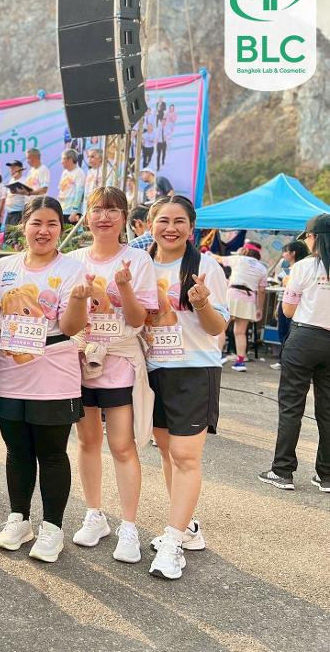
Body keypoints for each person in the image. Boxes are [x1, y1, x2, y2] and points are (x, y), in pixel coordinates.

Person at [0, 196, 89, 562]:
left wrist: (78, 300)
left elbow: (71, 326)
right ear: (24, 226)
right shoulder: (4, 268)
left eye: (51, 224)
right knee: (16, 450)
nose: (43, 231)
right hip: (10, 371)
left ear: (61, 228)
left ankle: (52, 528)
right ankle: (19, 519)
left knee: (51, 452)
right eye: (36, 223)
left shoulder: (72, 269)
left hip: (54, 372)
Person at [68, 187, 157, 563]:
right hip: (80, 362)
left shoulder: (138, 260)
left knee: (122, 445)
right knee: (87, 441)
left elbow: (138, 320)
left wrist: (122, 286)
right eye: (97, 210)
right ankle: (94, 514)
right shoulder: (73, 260)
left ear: (124, 217)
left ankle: (129, 526)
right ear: (86, 217)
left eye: (112, 210)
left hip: (120, 362)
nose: (104, 217)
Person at [144, 195, 228, 579]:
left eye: (179, 221)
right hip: (153, 369)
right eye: (163, 220)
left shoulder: (206, 267)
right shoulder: (141, 264)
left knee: (185, 455)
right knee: (167, 452)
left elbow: (216, 327)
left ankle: (174, 541)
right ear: (150, 224)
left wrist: (202, 304)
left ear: (191, 228)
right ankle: (188, 528)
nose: (171, 228)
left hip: (195, 370)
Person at [259, 214, 330, 492]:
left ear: (313, 238)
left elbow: (288, 311)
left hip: (304, 338)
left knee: (291, 406)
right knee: (328, 410)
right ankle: (326, 475)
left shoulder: (303, 267)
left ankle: (282, 471)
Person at [211, 242, 268, 372]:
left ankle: (216, 358)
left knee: (221, 328)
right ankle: (240, 362)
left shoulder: (238, 259)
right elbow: (262, 291)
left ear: (245, 250)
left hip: (232, 295)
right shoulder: (262, 268)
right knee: (240, 332)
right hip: (249, 298)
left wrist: (208, 253)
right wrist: (260, 308)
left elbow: (219, 259)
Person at [271, 241, 310, 368]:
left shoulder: (299, 268)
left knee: (287, 333)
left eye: (285, 251)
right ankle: (283, 360)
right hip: (285, 303)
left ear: (293, 253)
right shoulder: (290, 268)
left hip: (293, 306)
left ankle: (286, 361)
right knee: (284, 333)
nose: (283, 254)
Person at [57, 150, 85, 223]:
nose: (61, 162)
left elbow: (79, 193)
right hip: (62, 210)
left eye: (63, 159)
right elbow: (61, 191)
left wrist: (75, 211)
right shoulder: (64, 172)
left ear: (70, 160)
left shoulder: (79, 172)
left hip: (71, 212)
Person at [5, 162, 31, 227]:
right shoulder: (11, 180)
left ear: (20, 169)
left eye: (13, 168)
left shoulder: (25, 181)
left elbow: (28, 198)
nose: (11, 170)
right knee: (8, 233)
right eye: (11, 168)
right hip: (9, 213)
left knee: (15, 233)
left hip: (18, 213)